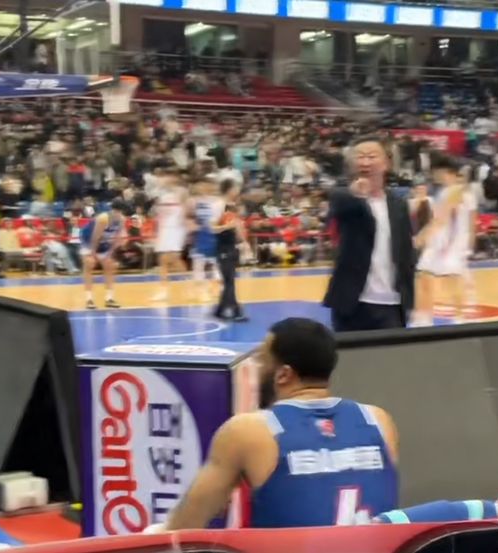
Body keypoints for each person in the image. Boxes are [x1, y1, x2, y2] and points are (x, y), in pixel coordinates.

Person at [158, 318, 398, 530]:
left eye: (261, 360)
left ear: (283, 375)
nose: (255, 368)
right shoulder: (378, 420)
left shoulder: (248, 431)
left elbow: (184, 528)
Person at [324, 137, 415, 332]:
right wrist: (355, 193)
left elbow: (406, 252)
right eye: (360, 157)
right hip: (352, 302)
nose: (365, 162)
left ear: (386, 163)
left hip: (392, 303)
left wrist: (411, 299)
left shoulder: (398, 204)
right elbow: (339, 205)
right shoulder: (343, 196)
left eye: (372, 156)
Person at [412, 152, 473, 326]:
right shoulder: (455, 191)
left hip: (448, 245)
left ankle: (457, 319)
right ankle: (425, 318)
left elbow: (441, 219)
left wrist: (421, 236)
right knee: (425, 276)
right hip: (445, 243)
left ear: (443, 171)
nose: (433, 176)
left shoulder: (454, 191)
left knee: (449, 280)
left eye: (434, 171)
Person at [81, 198, 126, 309]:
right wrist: (93, 253)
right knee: (89, 264)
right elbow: (95, 237)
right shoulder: (103, 219)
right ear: (112, 210)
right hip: (88, 239)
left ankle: (109, 298)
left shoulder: (122, 220)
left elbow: (117, 238)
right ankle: (89, 299)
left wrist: (110, 253)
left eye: (119, 211)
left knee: (109, 266)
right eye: (116, 210)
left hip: (104, 241)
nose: (117, 213)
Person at [213, 179, 248, 322]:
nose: (238, 190)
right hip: (222, 246)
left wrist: (243, 242)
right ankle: (235, 311)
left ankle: (220, 310)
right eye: (236, 187)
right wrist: (226, 227)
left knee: (229, 279)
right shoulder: (219, 205)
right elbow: (211, 228)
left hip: (231, 245)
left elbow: (236, 225)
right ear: (229, 189)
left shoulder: (232, 206)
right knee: (229, 280)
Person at [151, 169, 188, 301]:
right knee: (162, 259)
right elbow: (159, 212)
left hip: (177, 227)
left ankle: (187, 283)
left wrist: (186, 226)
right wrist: (157, 230)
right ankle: (164, 290)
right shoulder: (160, 193)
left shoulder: (182, 191)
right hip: (164, 227)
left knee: (173, 258)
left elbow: (186, 209)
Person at [189, 177, 224, 302]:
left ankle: (218, 290)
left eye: (204, 185)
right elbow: (192, 217)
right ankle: (200, 291)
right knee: (198, 264)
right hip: (201, 236)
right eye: (201, 185)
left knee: (216, 265)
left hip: (213, 235)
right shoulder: (196, 201)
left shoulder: (218, 202)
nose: (201, 187)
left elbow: (214, 221)